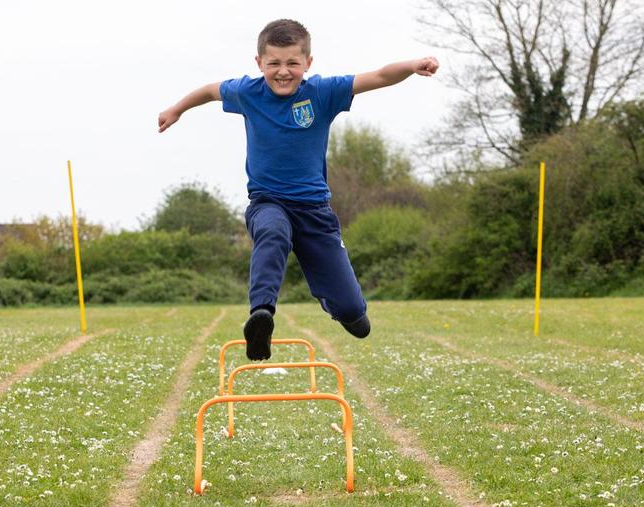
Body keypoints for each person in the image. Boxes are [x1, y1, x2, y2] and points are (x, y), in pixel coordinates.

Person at [158, 19, 438, 360]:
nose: (283, 71)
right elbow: (208, 91)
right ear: (259, 63)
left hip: (314, 211)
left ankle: (333, 299)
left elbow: (378, 76)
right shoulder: (247, 92)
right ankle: (261, 315)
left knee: (356, 318)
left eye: (292, 62)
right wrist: (176, 110)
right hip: (267, 203)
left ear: (308, 63)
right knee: (273, 232)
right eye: (274, 63)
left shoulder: (322, 92)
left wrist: (411, 66)